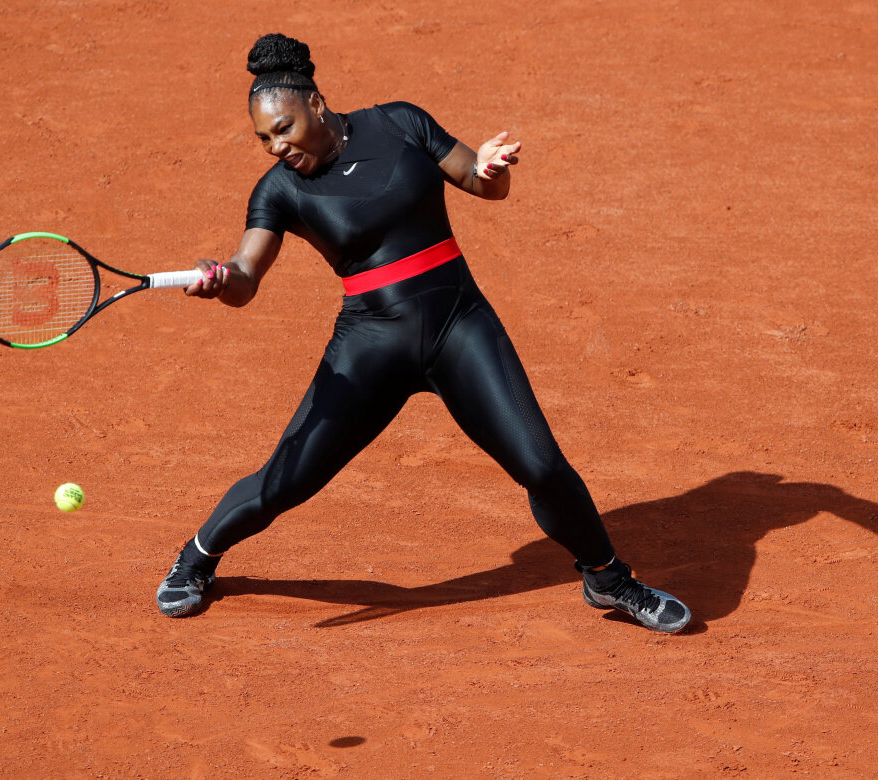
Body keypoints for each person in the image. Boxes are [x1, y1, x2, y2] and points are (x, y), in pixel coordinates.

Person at [156, 33, 690, 633]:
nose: (276, 147)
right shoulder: (279, 192)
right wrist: (221, 279)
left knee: (542, 467)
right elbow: (247, 277)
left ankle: (608, 578)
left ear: (317, 104)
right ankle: (196, 557)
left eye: (283, 128)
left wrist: (492, 168)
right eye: (263, 139)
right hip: (370, 347)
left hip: (460, 324)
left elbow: (484, 185)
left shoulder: (400, 123)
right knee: (285, 482)